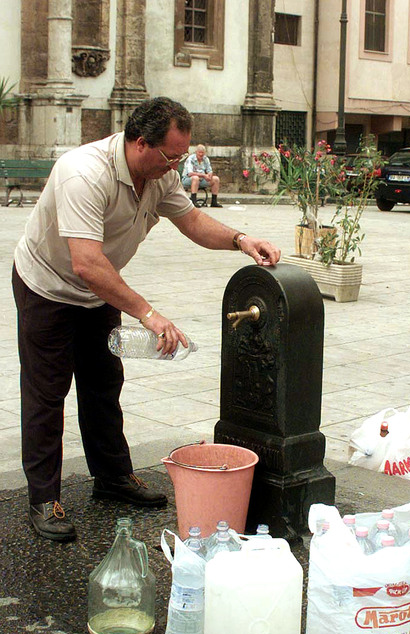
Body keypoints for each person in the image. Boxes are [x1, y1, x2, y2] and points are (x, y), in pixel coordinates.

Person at [12, 97, 280, 541]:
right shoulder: (83, 172)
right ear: (140, 143)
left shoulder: (160, 175)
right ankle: (44, 498)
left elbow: (191, 220)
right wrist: (149, 314)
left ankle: (113, 477)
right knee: (47, 390)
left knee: (102, 383)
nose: (176, 164)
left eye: (181, 155)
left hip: (97, 291)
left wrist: (240, 239)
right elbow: (86, 263)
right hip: (49, 286)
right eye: (170, 155)